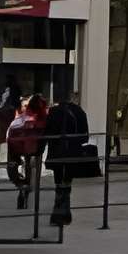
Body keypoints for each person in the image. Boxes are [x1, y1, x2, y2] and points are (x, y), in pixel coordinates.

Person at [44, 91, 89, 227]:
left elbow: (47, 133)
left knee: (58, 183)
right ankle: (64, 213)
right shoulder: (79, 112)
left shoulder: (53, 112)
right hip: (73, 152)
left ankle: (58, 213)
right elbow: (84, 136)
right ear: (73, 98)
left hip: (56, 153)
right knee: (67, 182)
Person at [5, 92, 48, 211]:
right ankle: (24, 189)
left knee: (25, 172)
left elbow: (10, 135)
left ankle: (23, 189)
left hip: (23, 149)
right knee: (27, 171)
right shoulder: (41, 119)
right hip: (29, 150)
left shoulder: (21, 120)